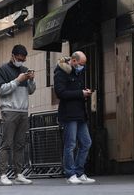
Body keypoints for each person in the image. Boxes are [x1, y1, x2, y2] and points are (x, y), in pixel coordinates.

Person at [0, 44, 35, 187]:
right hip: (9, 110)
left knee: (20, 144)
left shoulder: (25, 70)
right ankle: (3, 174)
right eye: (19, 59)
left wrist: (31, 79)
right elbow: (2, 90)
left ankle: (19, 174)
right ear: (12, 56)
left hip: (23, 111)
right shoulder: (2, 70)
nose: (21, 62)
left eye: (23, 60)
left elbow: (31, 91)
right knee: (6, 143)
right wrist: (17, 80)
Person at [54, 51, 94, 185]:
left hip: (80, 113)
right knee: (70, 144)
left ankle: (79, 171)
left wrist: (84, 93)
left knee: (86, 142)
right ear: (74, 61)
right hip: (69, 114)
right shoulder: (61, 73)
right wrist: (80, 93)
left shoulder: (77, 73)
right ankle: (70, 173)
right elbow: (60, 93)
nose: (83, 66)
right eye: (81, 64)